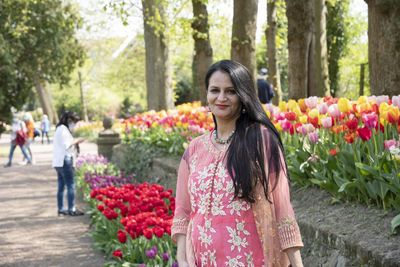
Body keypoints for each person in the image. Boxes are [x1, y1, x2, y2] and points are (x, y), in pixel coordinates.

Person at [172, 60, 303, 266]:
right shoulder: (195, 149)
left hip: (252, 259)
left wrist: (297, 264)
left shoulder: (261, 140)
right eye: (215, 90)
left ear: (243, 95)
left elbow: (282, 208)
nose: (221, 97)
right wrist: (182, 259)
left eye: (231, 91)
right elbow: (183, 211)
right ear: (207, 94)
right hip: (201, 260)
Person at [52, 111, 86, 216]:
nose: (74, 125)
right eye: (74, 122)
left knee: (61, 186)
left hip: (58, 161)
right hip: (65, 160)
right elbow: (67, 145)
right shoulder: (63, 129)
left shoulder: (59, 129)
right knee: (71, 185)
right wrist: (78, 141)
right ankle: (71, 209)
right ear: (69, 120)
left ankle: (61, 209)